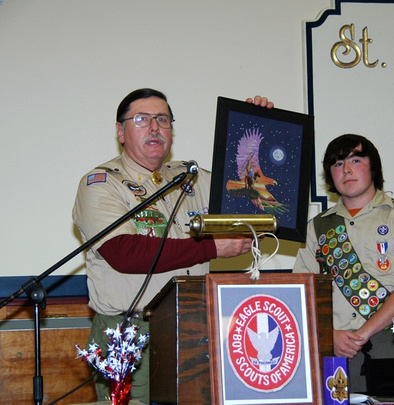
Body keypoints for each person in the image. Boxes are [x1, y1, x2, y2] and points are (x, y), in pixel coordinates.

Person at [72, 88, 273, 403]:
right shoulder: (101, 183)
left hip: (194, 328)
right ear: (120, 131)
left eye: (162, 120)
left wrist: (253, 126)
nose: (154, 127)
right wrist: (212, 248)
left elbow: (252, 198)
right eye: (142, 119)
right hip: (129, 333)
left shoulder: (190, 178)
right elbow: (124, 253)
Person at [293, 134, 394, 394]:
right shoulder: (317, 227)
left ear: (373, 167)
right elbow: (301, 293)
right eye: (337, 164)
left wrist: (362, 334)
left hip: (390, 345)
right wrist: (330, 335)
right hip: (333, 347)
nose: (346, 170)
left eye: (355, 160)